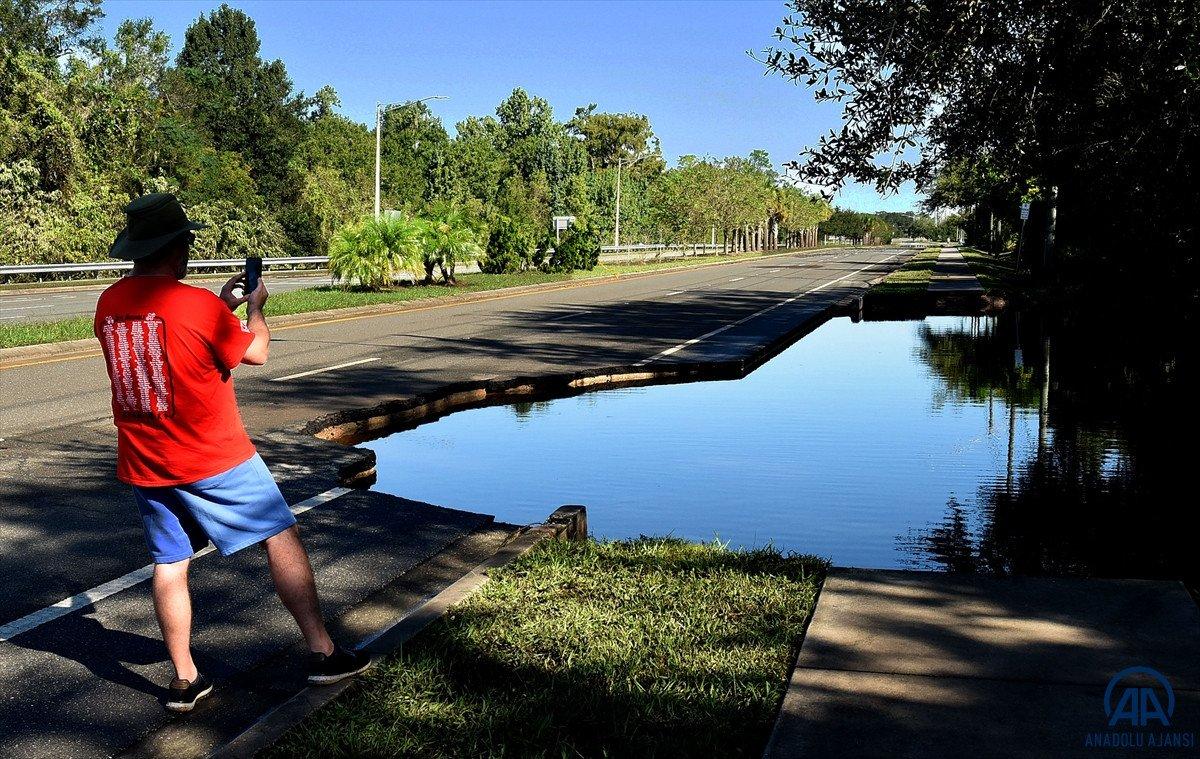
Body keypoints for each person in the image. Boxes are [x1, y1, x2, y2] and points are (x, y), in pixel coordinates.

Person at [94, 193, 369, 713]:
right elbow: (255, 351)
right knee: (280, 535)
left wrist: (224, 307)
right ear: (178, 247)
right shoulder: (195, 304)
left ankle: (185, 680)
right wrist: (256, 309)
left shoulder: (109, 304)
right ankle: (323, 652)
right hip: (214, 458)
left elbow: (170, 343)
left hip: (147, 462)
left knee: (170, 563)